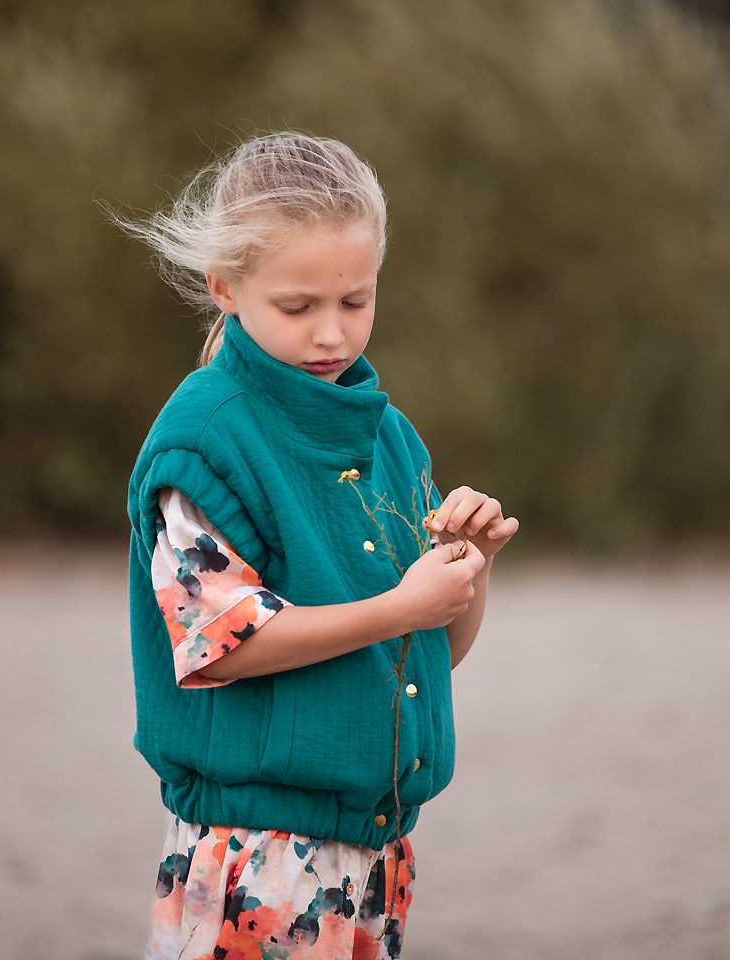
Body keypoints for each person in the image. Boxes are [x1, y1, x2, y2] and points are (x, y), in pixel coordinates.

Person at [121, 133, 518, 960]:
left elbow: (430, 649)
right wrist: (398, 606)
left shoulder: (389, 436)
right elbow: (220, 646)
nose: (331, 334)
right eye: (298, 307)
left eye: (356, 301)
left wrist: (466, 567)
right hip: (256, 856)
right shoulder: (204, 440)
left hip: (377, 853)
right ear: (224, 286)